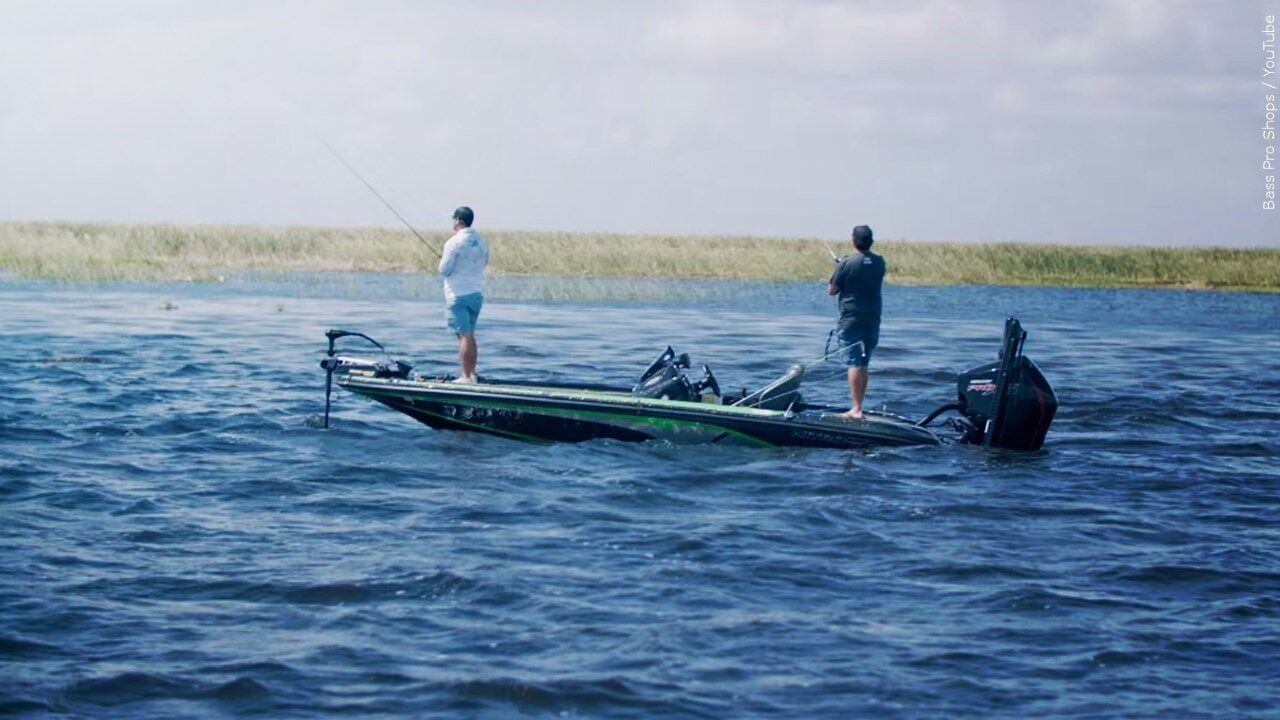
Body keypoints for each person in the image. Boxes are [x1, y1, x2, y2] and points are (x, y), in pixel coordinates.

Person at [827, 224, 885, 419]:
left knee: (853, 363)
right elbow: (864, 269)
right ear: (871, 241)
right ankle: (859, 406)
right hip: (872, 319)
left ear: (854, 241)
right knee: (864, 363)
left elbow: (832, 291)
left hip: (851, 320)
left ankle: (856, 409)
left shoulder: (847, 263)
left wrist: (840, 267)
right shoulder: (880, 262)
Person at [438, 206, 490, 383]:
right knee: (469, 334)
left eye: (454, 219)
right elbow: (484, 263)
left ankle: (466, 377)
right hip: (476, 294)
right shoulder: (482, 241)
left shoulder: (453, 242)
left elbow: (444, 269)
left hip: (457, 295)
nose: (453, 223)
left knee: (464, 336)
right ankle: (472, 374)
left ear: (459, 220)